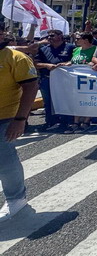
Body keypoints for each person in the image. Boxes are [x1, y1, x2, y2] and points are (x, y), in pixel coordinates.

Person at [0, 26, 39, 222]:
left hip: (6, 117)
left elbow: (31, 87)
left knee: (4, 158)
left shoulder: (16, 58)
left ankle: (16, 199)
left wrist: (20, 119)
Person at [33, 29, 75, 131]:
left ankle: (65, 122)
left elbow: (76, 60)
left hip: (64, 80)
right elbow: (36, 63)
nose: (49, 38)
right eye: (48, 36)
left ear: (60, 36)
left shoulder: (70, 47)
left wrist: (67, 63)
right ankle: (50, 122)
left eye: (52, 36)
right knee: (48, 102)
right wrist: (46, 65)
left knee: (64, 100)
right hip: (47, 79)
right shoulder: (43, 49)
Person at [62, 33, 97, 133]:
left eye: (78, 39)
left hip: (89, 80)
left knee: (88, 100)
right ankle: (76, 121)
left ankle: (86, 121)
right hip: (76, 80)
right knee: (77, 100)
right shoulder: (76, 50)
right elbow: (73, 61)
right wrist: (68, 63)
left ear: (86, 40)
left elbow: (95, 61)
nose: (76, 40)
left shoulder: (94, 49)